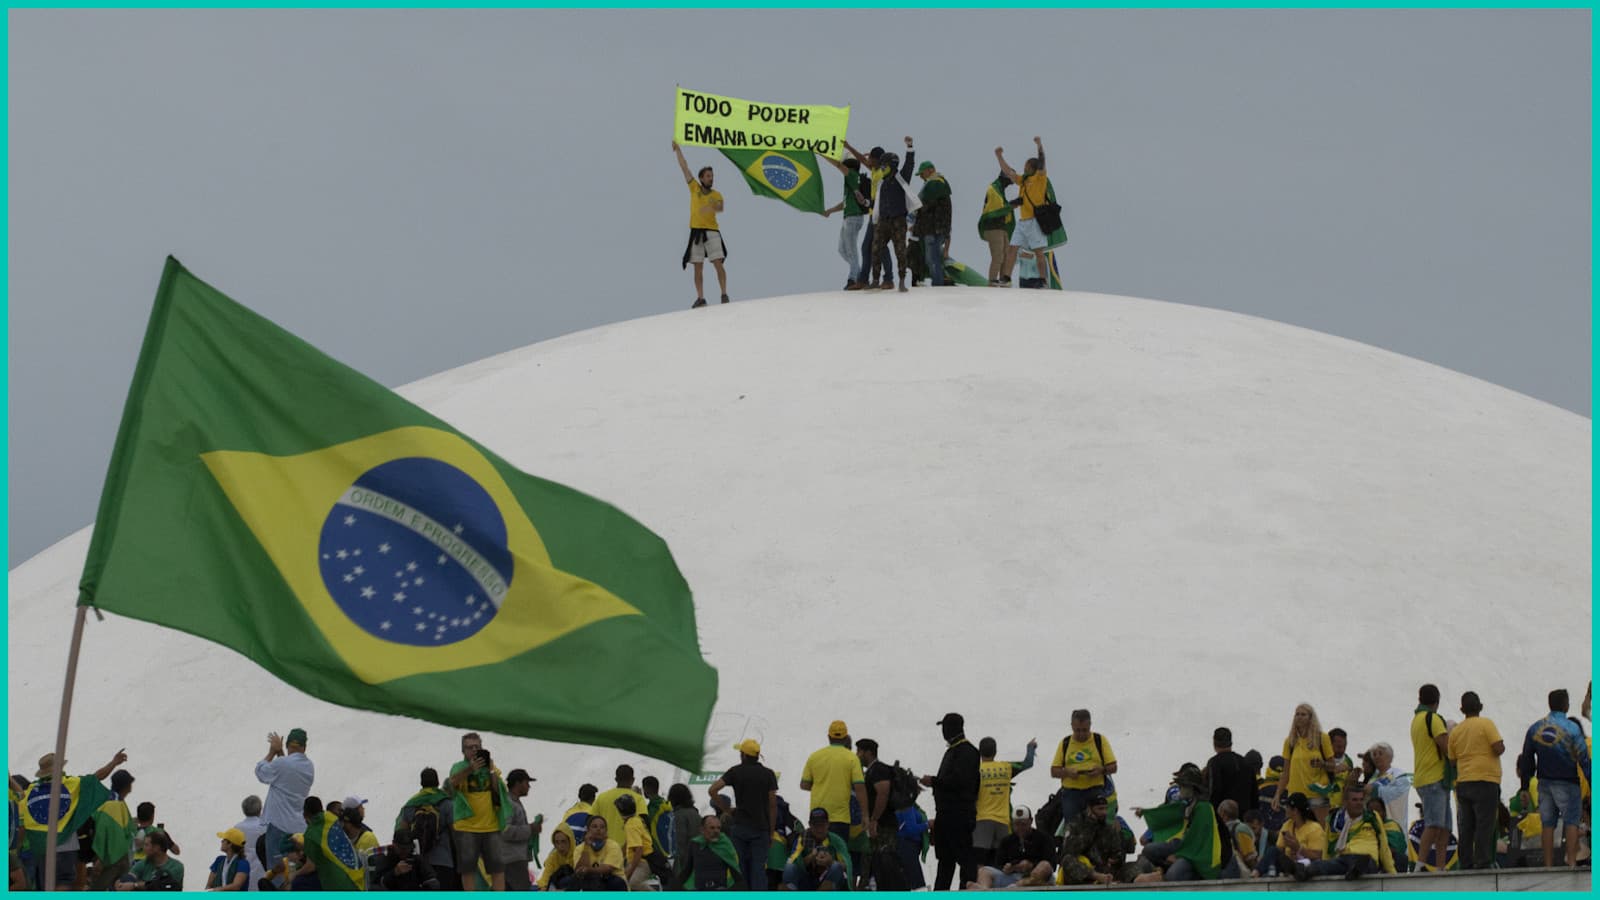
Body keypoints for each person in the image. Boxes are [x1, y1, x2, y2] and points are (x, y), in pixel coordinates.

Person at [24, 748, 127, 892]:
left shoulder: (31, 790)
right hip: (66, 845)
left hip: (43, 847)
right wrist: (114, 763)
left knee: (47, 885)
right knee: (65, 881)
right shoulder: (69, 783)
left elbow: (22, 809)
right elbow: (96, 777)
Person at [1518, 688, 1592, 867]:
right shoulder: (1572, 729)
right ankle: (1572, 862)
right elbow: (1584, 759)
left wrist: (1525, 786)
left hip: (1544, 783)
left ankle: (1549, 865)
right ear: (1566, 706)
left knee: (1548, 824)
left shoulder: (1536, 728)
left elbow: (1527, 759)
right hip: (1568, 782)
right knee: (1571, 822)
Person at [922, 711, 981, 890]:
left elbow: (959, 781)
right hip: (946, 815)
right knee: (945, 860)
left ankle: (967, 889)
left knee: (965, 859)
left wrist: (934, 781)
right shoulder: (953, 750)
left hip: (959, 815)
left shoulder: (967, 751)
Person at [708, 738, 777, 890]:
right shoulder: (768, 774)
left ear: (744, 756)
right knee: (758, 870)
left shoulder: (735, 771)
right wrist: (771, 832)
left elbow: (712, 790)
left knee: (740, 869)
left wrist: (726, 809)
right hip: (761, 829)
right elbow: (772, 806)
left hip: (740, 828)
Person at [1447, 690, 1505, 869]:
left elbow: (1452, 759)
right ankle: (1482, 861)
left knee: (1466, 825)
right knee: (1484, 823)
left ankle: (1465, 862)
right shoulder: (1486, 724)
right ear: (1480, 707)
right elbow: (1498, 747)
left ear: (1461, 709)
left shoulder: (1456, 731)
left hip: (1464, 782)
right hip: (1486, 780)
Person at [1291, 783, 1394, 880]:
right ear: (1345, 802)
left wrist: (1392, 873)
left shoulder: (1372, 817)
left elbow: (1384, 846)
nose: (1359, 803)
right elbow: (1327, 845)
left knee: (1363, 862)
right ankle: (1302, 872)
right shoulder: (1334, 818)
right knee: (1320, 865)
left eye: (1361, 800)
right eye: (1355, 800)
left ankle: (1355, 870)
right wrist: (1325, 863)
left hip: (1366, 858)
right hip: (1343, 859)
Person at [447, 731, 509, 890]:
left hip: (491, 825)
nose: (473, 750)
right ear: (463, 750)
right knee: (468, 868)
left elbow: (500, 791)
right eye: (469, 747)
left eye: (477, 747)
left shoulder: (491, 767)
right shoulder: (458, 767)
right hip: (466, 826)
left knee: (497, 867)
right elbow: (451, 784)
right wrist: (470, 769)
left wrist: (491, 770)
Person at [672, 140, 729, 308]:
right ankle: (701, 297)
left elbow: (720, 207)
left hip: (711, 231)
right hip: (696, 232)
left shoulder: (716, 194)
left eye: (712, 176)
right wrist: (678, 150)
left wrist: (708, 207)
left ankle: (724, 293)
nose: (711, 179)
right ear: (702, 178)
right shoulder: (695, 189)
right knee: (697, 266)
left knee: (718, 262)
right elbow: (685, 168)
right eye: (708, 176)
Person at [254, 728, 313, 877]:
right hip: (299, 827)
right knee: (295, 872)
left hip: (278, 826)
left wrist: (272, 752)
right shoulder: (309, 767)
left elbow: (261, 772)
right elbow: (287, 770)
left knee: (278, 873)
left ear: (287, 745)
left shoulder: (282, 763)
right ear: (304, 747)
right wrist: (280, 754)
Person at [800, 721, 870, 846]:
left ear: (829, 737)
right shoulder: (852, 759)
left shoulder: (815, 757)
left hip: (817, 816)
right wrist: (865, 815)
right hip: (841, 818)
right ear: (845, 738)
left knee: (816, 857)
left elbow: (804, 785)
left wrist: (822, 784)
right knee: (839, 857)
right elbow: (860, 788)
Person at [994, 137, 1050, 287]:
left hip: (1034, 222)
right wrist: (999, 156)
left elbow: (1042, 161)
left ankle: (1043, 280)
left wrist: (1039, 145)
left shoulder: (1039, 178)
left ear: (1032, 167)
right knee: (1012, 248)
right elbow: (1009, 172)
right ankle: (1006, 278)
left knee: (1039, 252)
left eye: (1026, 165)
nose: (1024, 167)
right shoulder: (1023, 180)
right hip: (1023, 222)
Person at [974, 737, 1037, 867]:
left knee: (980, 863)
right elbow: (1027, 763)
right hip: (1003, 821)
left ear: (979, 752)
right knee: (1001, 863)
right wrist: (1030, 748)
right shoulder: (1006, 768)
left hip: (982, 820)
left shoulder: (975, 770)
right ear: (995, 751)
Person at [1410, 683, 1454, 870]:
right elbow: (1445, 746)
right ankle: (1420, 865)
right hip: (1434, 778)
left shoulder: (1416, 719)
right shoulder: (1433, 719)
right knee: (1435, 824)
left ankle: (1440, 867)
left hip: (1424, 777)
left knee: (1444, 826)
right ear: (1437, 701)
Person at [1055, 790, 1139, 885]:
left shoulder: (1108, 828)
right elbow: (1069, 851)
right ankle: (1097, 877)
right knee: (1067, 860)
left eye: (1105, 809)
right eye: (1100, 809)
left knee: (1137, 865)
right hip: (1082, 873)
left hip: (1105, 871)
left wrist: (1116, 858)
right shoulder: (1075, 825)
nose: (1104, 812)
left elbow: (1119, 852)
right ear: (1089, 809)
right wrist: (1090, 827)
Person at [1050, 709, 1117, 828]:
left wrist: (1101, 770)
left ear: (1090, 725)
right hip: (1071, 794)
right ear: (1072, 726)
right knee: (1073, 828)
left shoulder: (1099, 740)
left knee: (1098, 826)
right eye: (1077, 730)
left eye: (1085, 730)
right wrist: (1067, 772)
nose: (1081, 734)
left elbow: (1113, 767)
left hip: (1095, 790)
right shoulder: (1065, 743)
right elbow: (1054, 771)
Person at [867, 137, 917, 292]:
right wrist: (868, 205)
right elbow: (877, 202)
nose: (881, 169)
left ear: (890, 166)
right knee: (875, 248)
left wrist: (910, 147)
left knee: (900, 250)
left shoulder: (901, 179)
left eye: (883, 166)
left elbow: (909, 165)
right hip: (883, 220)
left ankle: (902, 280)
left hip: (898, 220)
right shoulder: (882, 183)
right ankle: (875, 279)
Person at [1272, 703, 1335, 824]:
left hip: (1317, 793)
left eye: (1303, 714)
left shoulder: (1322, 738)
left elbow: (1333, 766)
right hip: (1295, 794)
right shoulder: (1290, 741)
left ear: (1311, 718)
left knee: (1319, 832)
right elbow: (1286, 772)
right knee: (1295, 833)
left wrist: (1322, 764)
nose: (1299, 717)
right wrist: (1277, 794)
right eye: (1297, 714)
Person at [396, 766, 457, 890]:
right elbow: (455, 833)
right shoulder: (446, 803)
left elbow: (402, 833)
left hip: (419, 864)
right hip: (444, 861)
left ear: (421, 783)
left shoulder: (411, 805)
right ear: (438, 782)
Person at [967, 805, 1053, 888]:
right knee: (983, 871)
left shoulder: (1043, 838)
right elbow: (998, 864)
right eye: (1016, 824)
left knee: (1044, 865)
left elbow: (1052, 864)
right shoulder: (1007, 841)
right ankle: (984, 891)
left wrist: (1031, 865)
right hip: (1012, 878)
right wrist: (1010, 867)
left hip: (1037, 878)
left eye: (1023, 824)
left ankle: (1019, 885)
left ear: (1031, 821)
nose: (1020, 828)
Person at [823, 155, 872, 289]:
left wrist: (823, 154)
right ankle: (860, 275)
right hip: (848, 218)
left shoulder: (852, 175)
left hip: (853, 218)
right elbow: (845, 203)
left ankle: (853, 279)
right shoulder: (851, 182)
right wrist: (830, 211)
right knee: (842, 250)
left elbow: (838, 165)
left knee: (851, 250)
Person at [1255, 792, 1323, 877]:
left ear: (1295, 811)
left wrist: (1298, 848)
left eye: (1287, 807)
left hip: (1307, 865)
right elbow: (1279, 849)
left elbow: (1317, 856)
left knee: (1310, 863)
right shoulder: (1287, 825)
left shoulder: (1315, 828)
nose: (1285, 809)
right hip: (1289, 863)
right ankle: (1256, 872)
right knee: (1273, 850)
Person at [783, 808, 851, 890]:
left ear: (828, 824)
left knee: (836, 866)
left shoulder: (836, 841)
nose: (819, 829)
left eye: (822, 825)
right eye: (815, 825)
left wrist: (830, 862)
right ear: (810, 825)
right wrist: (811, 857)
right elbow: (794, 861)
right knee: (789, 867)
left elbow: (847, 865)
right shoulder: (802, 838)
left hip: (828, 879)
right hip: (807, 879)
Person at [678, 814, 745, 890]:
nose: (716, 831)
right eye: (712, 828)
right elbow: (687, 870)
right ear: (702, 830)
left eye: (718, 828)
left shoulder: (724, 845)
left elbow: (737, 875)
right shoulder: (695, 844)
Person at [592, 764, 647, 853]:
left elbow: (590, 821)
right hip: (629, 852)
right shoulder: (638, 799)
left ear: (616, 779)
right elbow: (644, 825)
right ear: (632, 780)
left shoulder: (602, 797)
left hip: (605, 851)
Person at [914, 161, 953, 287]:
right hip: (934, 227)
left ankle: (938, 285)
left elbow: (926, 205)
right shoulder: (936, 183)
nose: (921, 176)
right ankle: (939, 283)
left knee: (932, 258)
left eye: (922, 173)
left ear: (930, 170)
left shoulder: (936, 182)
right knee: (932, 257)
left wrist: (916, 209)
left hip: (934, 228)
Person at [1360, 742, 1412, 832]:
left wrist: (1376, 790)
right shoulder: (1373, 777)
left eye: (1380, 753)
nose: (1377, 757)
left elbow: (1397, 794)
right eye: (1374, 754)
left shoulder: (1399, 776)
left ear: (1390, 757)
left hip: (1393, 826)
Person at [564, 816, 627, 891]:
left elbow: (607, 869)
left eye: (602, 827)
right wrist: (586, 846)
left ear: (606, 831)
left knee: (615, 882)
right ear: (588, 830)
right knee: (575, 880)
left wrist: (588, 870)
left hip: (612, 884)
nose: (598, 829)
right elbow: (579, 870)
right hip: (592, 883)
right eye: (594, 826)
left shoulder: (613, 846)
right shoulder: (580, 848)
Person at [1205, 727, 1256, 816]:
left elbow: (1214, 791)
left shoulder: (1214, 763)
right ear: (1231, 743)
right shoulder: (1245, 762)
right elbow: (1254, 793)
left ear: (1214, 744)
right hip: (1245, 817)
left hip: (1224, 817)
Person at [977, 172, 1016, 285]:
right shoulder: (993, 188)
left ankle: (1003, 281)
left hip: (1001, 228)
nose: (1011, 183)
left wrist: (1011, 204)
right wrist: (1011, 205)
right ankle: (993, 281)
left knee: (1006, 256)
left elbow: (1000, 207)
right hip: (993, 227)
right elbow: (995, 211)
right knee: (998, 256)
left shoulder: (999, 189)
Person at [373, 826, 440, 891]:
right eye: (400, 848)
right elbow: (377, 884)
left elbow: (431, 879)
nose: (404, 851)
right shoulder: (386, 859)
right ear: (394, 844)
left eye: (407, 848)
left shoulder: (416, 860)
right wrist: (394, 872)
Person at [500, 768, 535, 889]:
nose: (529, 787)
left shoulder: (513, 802)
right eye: (526, 783)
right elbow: (505, 830)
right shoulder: (509, 803)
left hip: (514, 859)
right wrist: (530, 829)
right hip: (512, 860)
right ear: (518, 783)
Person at [116, 830, 184, 891]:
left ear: (157, 848)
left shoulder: (176, 867)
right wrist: (121, 883)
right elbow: (132, 875)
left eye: (146, 845)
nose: (143, 848)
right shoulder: (144, 863)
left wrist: (134, 885)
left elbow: (159, 885)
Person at [536, 823, 578, 891]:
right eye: (557, 842)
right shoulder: (553, 857)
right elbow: (545, 879)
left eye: (563, 842)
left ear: (570, 841)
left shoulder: (578, 855)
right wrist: (543, 888)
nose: (560, 846)